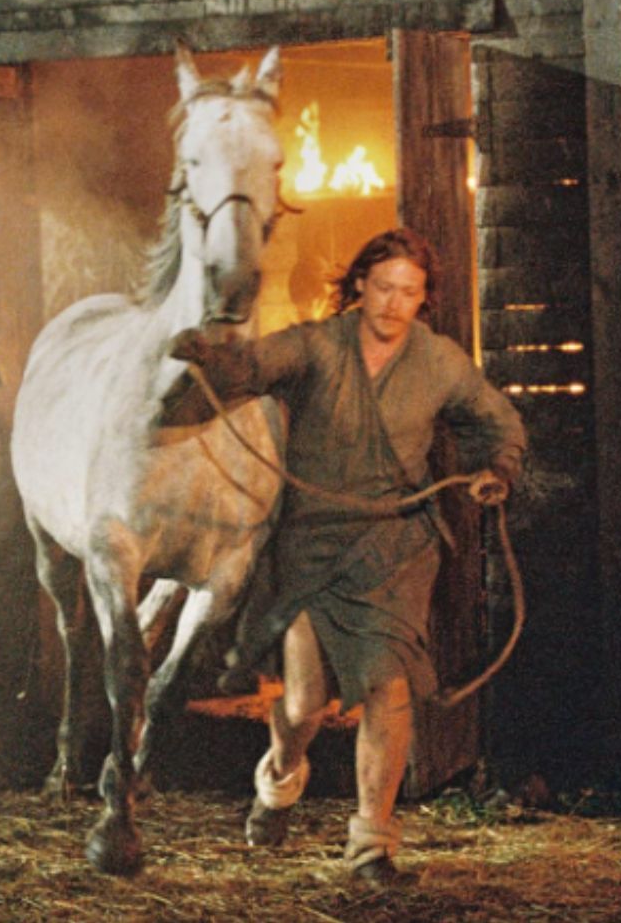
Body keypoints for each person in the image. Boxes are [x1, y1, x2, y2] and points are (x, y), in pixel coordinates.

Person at [165, 226, 527, 886]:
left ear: (424, 299)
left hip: (395, 546)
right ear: (359, 284)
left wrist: (496, 467)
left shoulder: (440, 361)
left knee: (388, 689)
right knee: (305, 705)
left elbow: (495, 419)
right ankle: (277, 782)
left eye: (409, 292)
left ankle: (372, 845)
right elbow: (253, 365)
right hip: (314, 544)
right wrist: (211, 355)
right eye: (383, 287)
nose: (393, 303)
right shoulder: (316, 346)